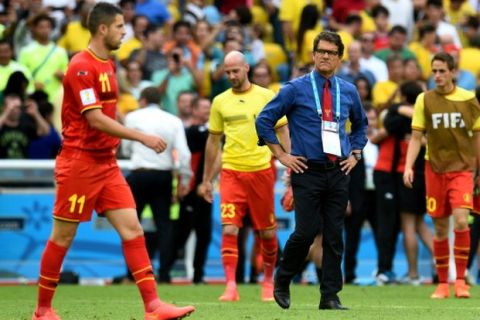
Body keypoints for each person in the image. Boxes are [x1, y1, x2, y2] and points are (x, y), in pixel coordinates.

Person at [31, 3, 195, 320]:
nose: (125, 32)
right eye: (120, 26)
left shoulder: (108, 64)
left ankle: (153, 306)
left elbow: (106, 116)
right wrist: (141, 136)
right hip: (79, 164)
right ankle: (42, 310)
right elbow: (95, 120)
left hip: (105, 164)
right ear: (103, 29)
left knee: (133, 229)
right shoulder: (81, 66)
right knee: (62, 236)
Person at [256, 31, 367, 310]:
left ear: (339, 58)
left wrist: (356, 152)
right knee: (305, 232)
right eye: (321, 51)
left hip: (338, 169)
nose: (325, 56)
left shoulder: (349, 91)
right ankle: (282, 279)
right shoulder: (295, 88)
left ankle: (330, 296)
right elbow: (264, 120)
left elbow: (362, 125)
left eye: (331, 52)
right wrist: (281, 154)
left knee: (333, 235)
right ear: (313, 54)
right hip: (306, 169)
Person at [199, 50, 289, 302]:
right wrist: (207, 179)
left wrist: (289, 164)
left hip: (261, 171)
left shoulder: (267, 97)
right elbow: (214, 142)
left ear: (246, 68)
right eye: (227, 72)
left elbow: (283, 132)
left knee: (267, 233)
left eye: (235, 71)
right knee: (229, 228)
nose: (231, 76)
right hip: (231, 172)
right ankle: (230, 286)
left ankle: (268, 281)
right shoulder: (220, 101)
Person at [403, 52, 480, 299]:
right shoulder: (423, 100)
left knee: (460, 221)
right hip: (434, 169)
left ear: (453, 72)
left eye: (442, 71)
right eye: (434, 71)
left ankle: (460, 280)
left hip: (462, 169)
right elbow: (416, 137)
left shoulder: (469, 99)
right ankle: (443, 283)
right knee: (439, 228)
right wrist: (408, 166)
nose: (437, 75)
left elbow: (477, 137)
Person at [122, 86, 192, 284]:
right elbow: (184, 155)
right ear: (160, 101)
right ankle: (164, 274)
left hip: (139, 174)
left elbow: (126, 148)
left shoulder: (133, 117)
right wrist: (184, 180)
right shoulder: (173, 120)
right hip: (163, 175)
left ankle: (132, 274)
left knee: (131, 225)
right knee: (165, 227)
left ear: (142, 100)